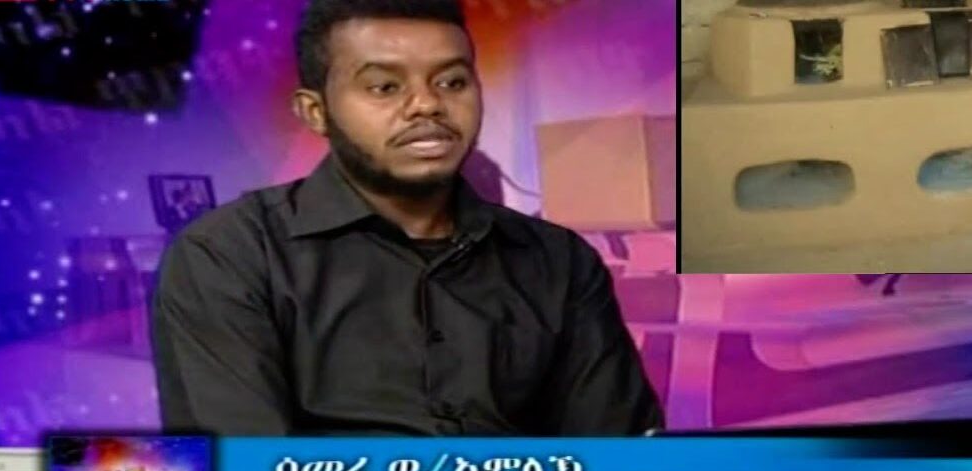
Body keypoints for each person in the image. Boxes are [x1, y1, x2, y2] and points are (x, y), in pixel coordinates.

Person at [149, 0, 664, 436]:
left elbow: (620, 460)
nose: (427, 105)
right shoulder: (227, 257)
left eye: (453, 81)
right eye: (384, 87)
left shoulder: (559, 261)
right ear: (315, 112)